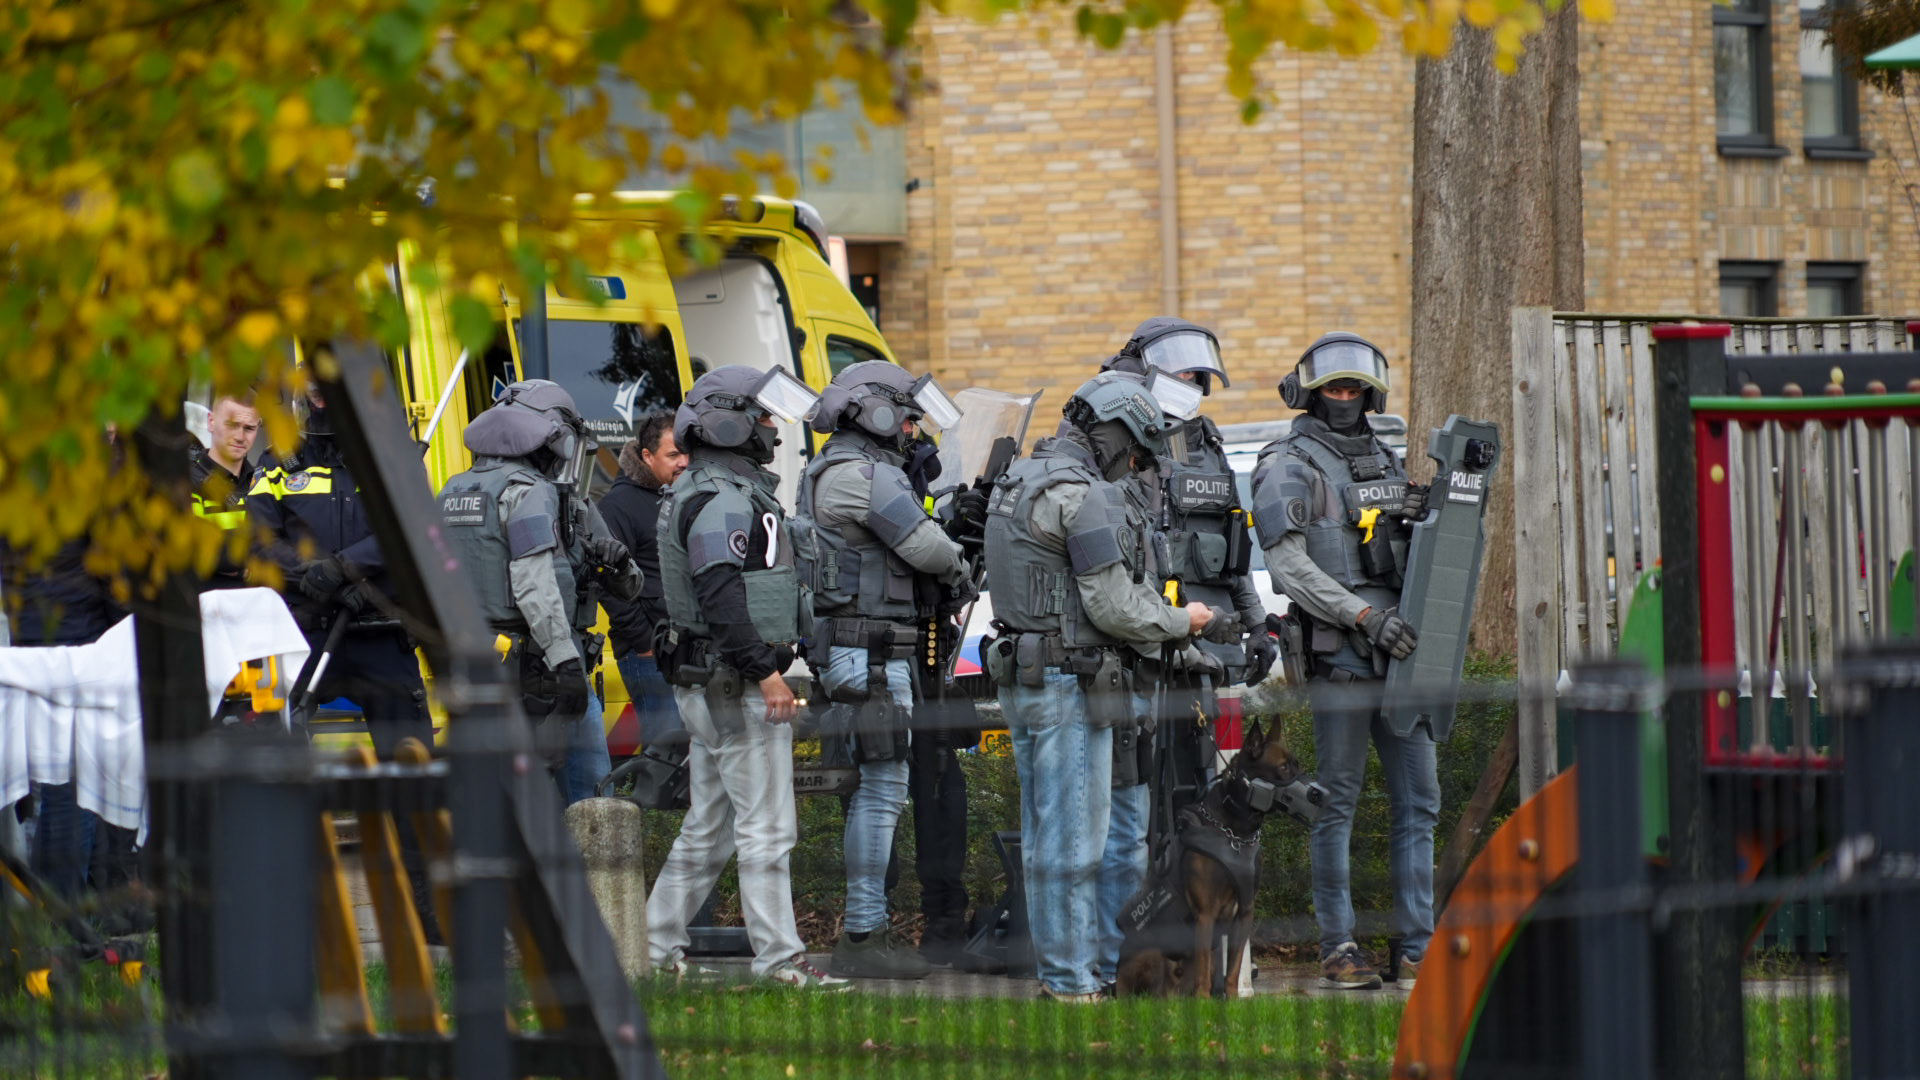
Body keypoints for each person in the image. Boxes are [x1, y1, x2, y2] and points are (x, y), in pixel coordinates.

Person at [982, 371, 1234, 1003]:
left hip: (1024, 674)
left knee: (1045, 838)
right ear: (1116, 434)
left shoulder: (1019, 479)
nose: (1136, 465)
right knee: (1075, 843)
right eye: (1138, 451)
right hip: (1070, 680)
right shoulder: (1085, 495)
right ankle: (1072, 983)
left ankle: (1067, 974)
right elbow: (1113, 606)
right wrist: (1183, 621)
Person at [644, 364, 847, 989]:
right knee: (768, 828)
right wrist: (765, 673)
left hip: (711, 685)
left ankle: (653, 950)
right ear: (728, 424)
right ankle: (780, 961)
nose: (771, 427)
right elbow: (719, 593)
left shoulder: (703, 489)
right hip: (736, 686)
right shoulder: (725, 498)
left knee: (710, 827)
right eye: (761, 415)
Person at [1248, 332, 1434, 991]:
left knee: (1421, 800)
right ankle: (1339, 947)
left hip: (1403, 658)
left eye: (1356, 387)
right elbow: (1287, 567)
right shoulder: (1286, 462)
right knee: (1337, 801)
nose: (1346, 396)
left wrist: (1423, 521)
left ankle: (1417, 948)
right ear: (1311, 392)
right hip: (1344, 658)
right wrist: (1363, 617)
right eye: (1335, 387)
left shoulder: (1386, 457)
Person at [798, 362, 975, 980]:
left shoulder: (839, 469)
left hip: (865, 649)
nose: (910, 430)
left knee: (876, 791)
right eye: (905, 417)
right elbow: (925, 546)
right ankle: (864, 933)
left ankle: (867, 928)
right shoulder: (861, 476)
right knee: (879, 793)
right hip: (870, 652)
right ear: (875, 413)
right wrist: (959, 560)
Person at [250, 376, 442, 936]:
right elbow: (259, 541)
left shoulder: (393, 458)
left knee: (412, 772)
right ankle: (290, 908)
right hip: (307, 633)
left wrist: (350, 570)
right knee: (280, 766)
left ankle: (429, 910)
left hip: (380, 631)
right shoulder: (279, 460)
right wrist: (315, 575)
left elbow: (414, 531)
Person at [436, 380, 641, 798]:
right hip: (546, 668)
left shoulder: (453, 490)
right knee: (589, 798)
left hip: (480, 667)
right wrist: (566, 663)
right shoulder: (530, 493)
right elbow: (534, 580)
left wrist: (615, 563)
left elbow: (628, 583)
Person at [598, 411, 689, 795]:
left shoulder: (683, 495)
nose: (683, 462)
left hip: (684, 648)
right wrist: (643, 642)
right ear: (647, 456)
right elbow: (608, 581)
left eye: (686, 453)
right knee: (663, 757)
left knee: (686, 755)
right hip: (648, 653)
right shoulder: (618, 505)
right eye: (673, 455)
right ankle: (654, 824)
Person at [190, 394, 261, 588]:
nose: (240, 437)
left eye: (249, 428)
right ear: (211, 422)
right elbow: (196, 552)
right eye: (232, 425)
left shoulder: (264, 480)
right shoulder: (188, 482)